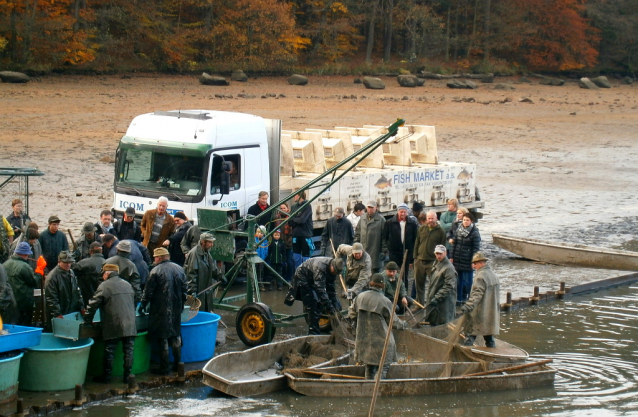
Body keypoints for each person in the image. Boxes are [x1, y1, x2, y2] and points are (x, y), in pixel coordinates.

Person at [84, 263, 137, 383]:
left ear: (107, 273)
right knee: (129, 350)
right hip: (130, 323)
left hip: (113, 323)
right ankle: (127, 377)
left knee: (110, 350)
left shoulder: (104, 285)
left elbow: (93, 304)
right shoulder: (127, 284)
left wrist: (87, 320)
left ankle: (106, 377)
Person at [348, 273, 407, 380]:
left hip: (364, 340)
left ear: (371, 283)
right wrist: (404, 325)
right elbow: (394, 322)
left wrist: (358, 323)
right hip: (382, 341)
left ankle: (368, 388)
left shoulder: (360, 297)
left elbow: (351, 313)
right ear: (382, 285)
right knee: (383, 367)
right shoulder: (384, 301)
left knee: (369, 366)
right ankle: (378, 390)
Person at [139, 247, 187, 375]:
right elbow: (184, 290)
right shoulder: (179, 269)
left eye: (155, 257)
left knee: (163, 337)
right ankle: (178, 364)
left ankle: (164, 367)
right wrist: (181, 304)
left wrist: (142, 305)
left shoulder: (155, 271)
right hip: (176, 307)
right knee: (176, 335)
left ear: (159, 258)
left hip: (160, 309)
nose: (154, 259)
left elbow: (148, 292)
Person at [288, 257, 342, 335]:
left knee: (320, 302)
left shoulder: (333, 271)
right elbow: (320, 289)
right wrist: (328, 306)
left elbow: (331, 288)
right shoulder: (320, 268)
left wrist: (333, 304)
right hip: (302, 276)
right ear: (332, 266)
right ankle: (313, 333)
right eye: (335, 272)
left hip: (312, 277)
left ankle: (319, 326)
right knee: (312, 303)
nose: (335, 274)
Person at [460, 252, 500, 348]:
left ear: (481, 263)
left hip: (479, 314)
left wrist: (467, 306)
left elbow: (476, 295)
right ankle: (492, 355)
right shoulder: (494, 275)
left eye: (475, 264)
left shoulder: (480, 277)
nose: (473, 266)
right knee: (489, 337)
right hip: (491, 313)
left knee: (470, 335)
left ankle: (465, 355)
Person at [412, 210, 447, 305]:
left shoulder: (441, 231)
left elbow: (443, 247)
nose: (430, 220)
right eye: (429, 218)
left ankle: (431, 304)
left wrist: (441, 261)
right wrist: (415, 257)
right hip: (419, 261)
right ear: (426, 219)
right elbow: (417, 243)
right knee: (419, 285)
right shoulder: (421, 229)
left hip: (432, 262)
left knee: (434, 284)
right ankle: (419, 304)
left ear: (436, 218)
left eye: (432, 218)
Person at [382, 203, 418, 288]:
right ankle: (393, 291)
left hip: (406, 252)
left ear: (407, 212)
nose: (403, 214)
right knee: (393, 272)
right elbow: (385, 237)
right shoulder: (390, 222)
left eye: (404, 212)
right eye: (401, 212)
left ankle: (403, 293)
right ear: (398, 212)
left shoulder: (412, 223)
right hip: (394, 252)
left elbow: (415, 239)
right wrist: (388, 248)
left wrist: (412, 254)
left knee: (404, 274)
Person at [45, 250, 83, 328]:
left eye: (70, 262)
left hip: (71, 312)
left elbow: (77, 292)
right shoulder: (52, 277)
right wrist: (57, 314)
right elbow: (51, 299)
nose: (68, 265)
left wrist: (81, 307)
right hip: (59, 314)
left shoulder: (71, 272)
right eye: (65, 262)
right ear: (59, 262)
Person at [4, 242, 40, 325]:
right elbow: (34, 282)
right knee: (24, 324)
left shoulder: (5, 264)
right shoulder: (24, 266)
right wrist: (39, 270)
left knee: (11, 324)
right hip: (24, 303)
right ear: (26, 254)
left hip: (9, 302)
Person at [450, 212, 481, 303]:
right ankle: (459, 299)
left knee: (468, 282)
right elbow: (454, 244)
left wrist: (473, 261)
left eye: (467, 220)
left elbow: (476, 248)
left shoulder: (474, 233)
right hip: (458, 259)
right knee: (458, 282)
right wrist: (451, 256)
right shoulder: (458, 230)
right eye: (464, 220)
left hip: (468, 260)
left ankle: (469, 298)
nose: (465, 222)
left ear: (471, 221)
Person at [184, 232, 220, 312]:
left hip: (206, 290)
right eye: (210, 242)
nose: (212, 245)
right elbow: (191, 274)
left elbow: (212, 268)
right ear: (203, 242)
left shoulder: (206, 252)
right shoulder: (194, 254)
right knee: (198, 313)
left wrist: (220, 276)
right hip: (198, 291)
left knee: (207, 311)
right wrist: (192, 291)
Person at [424, 245, 457, 326]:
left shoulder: (449, 268)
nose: (438, 256)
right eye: (437, 253)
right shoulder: (436, 263)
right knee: (433, 321)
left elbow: (449, 286)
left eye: (440, 254)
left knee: (442, 323)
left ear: (445, 253)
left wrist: (437, 297)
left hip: (444, 302)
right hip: (435, 299)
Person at [354, 201, 386, 273]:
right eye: (368, 207)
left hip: (376, 254)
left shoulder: (381, 220)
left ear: (376, 208)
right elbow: (357, 234)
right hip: (363, 253)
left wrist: (384, 251)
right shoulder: (362, 219)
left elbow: (385, 237)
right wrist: (356, 247)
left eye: (372, 208)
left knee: (375, 276)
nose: (370, 209)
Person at [72, 241, 105, 308]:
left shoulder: (84, 263)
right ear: (101, 251)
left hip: (86, 299)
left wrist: (73, 258)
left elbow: (71, 269)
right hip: (102, 299)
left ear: (90, 251)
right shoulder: (107, 263)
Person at [289, 190, 314, 269]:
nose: (293, 197)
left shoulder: (307, 206)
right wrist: (297, 219)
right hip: (296, 235)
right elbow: (290, 222)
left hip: (305, 235)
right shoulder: (293, 207)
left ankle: (306, 276)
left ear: (299, 195)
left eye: (295, 195)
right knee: (296, 258)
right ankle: (297, 275)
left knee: (305, 258)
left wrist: (295, 219)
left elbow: (302, 220)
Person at [273, 202, 294, 284]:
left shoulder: (291, 217)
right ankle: (282, 278)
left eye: (284, 208)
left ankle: (289, 278)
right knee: (281, 262)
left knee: (289, 261)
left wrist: (290, 240)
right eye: (281, 208)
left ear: (287, 209)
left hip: (288, 243)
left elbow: (293, 230)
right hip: (280, 244)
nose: (282, 210)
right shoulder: (276, 218)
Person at [255, 225, 269, 290]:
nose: (259, 234)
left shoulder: (265, 240)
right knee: (254, 272)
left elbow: (266, 249)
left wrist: (264, 256)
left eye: (261, 233)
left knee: (260, 272)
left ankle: (261, 285)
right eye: (258, 232)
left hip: (261, 259)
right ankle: (253, 286)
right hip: (254, 259)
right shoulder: (253, 240)